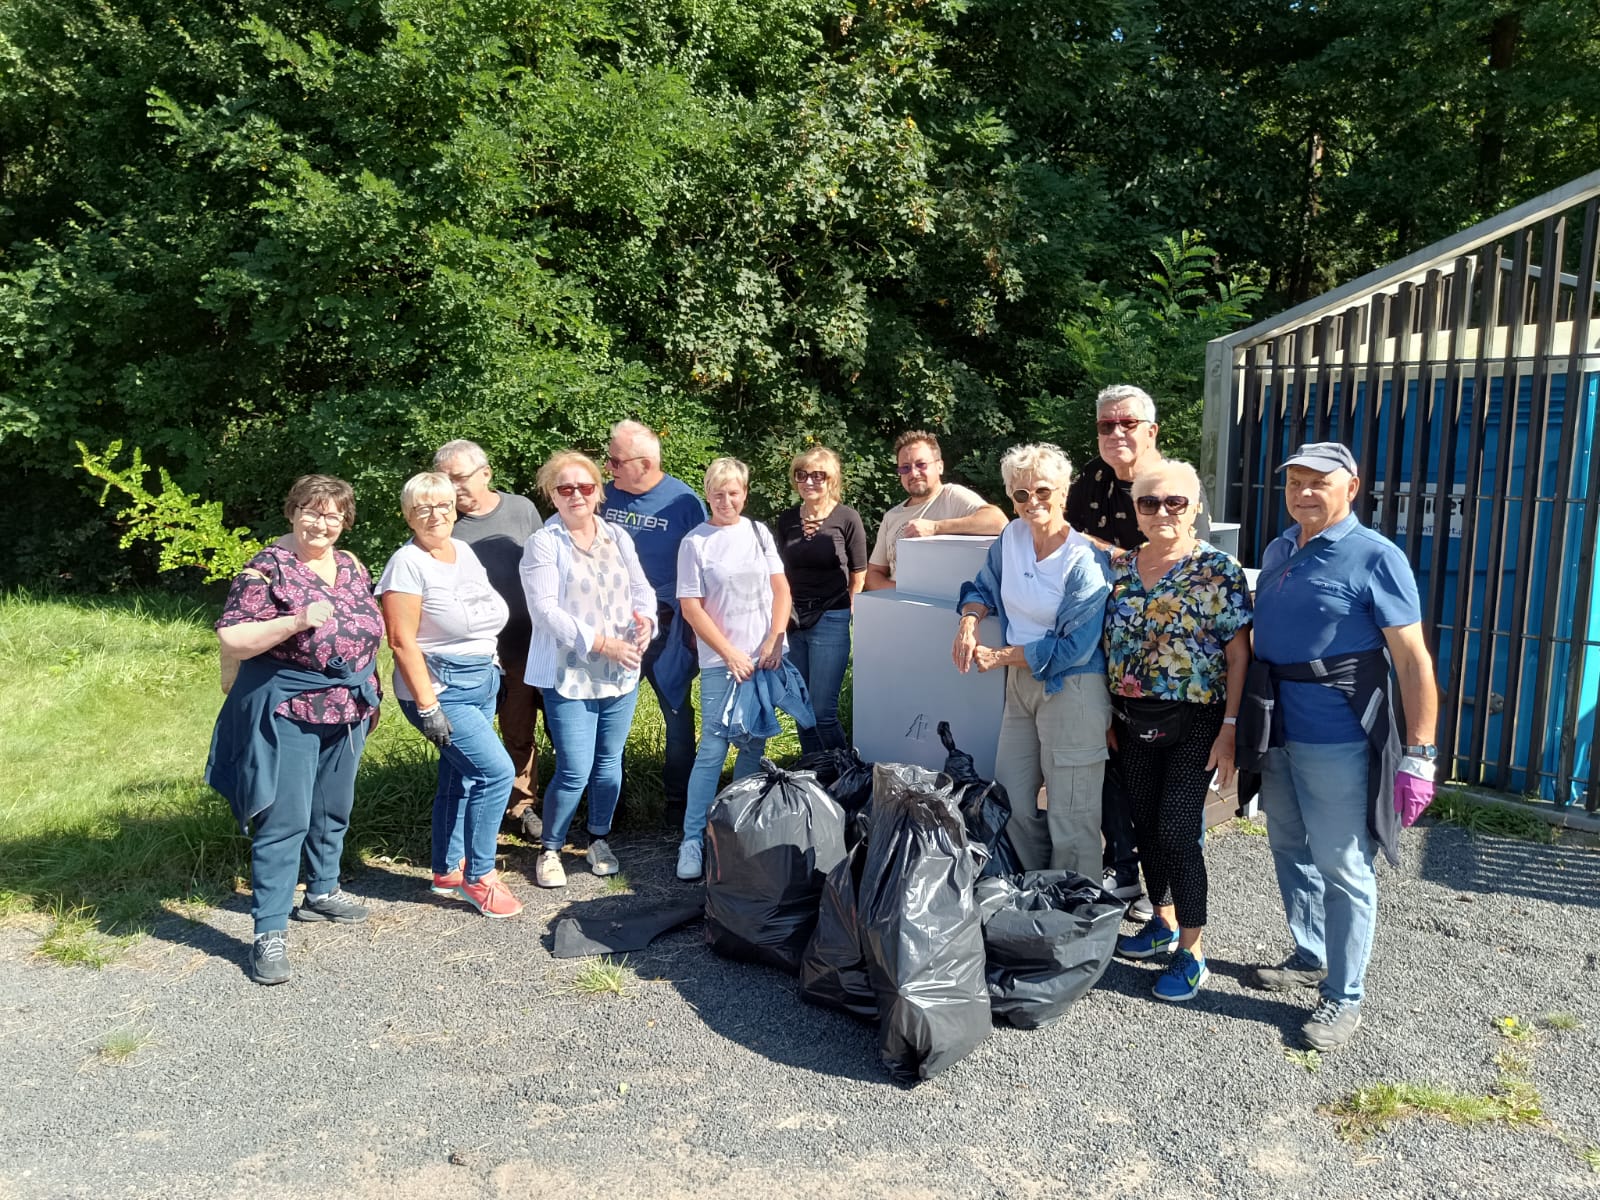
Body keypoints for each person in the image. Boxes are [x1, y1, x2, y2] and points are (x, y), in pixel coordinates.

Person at [1244, 441, 1438, 1052]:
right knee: (1288, 843)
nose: (1304, 492)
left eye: (1318, 482)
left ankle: (1344, 994)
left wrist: (1420, 753)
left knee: (1343, 864)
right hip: (1275, 724)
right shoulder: (1279, 548)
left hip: (1337, 734)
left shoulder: (1376, 557)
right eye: (1294, 481)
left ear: (1351, 488)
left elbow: (1412, 660)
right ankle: (1309, 951)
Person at [206, 476, 384, 985]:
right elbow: (235, 637)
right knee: (285, 820)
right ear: (292, 512)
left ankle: (322, 892)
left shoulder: (351, 565)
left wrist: (371, 690)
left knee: (333, 808)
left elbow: (365, 631)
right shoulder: (266, 568)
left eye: (331, 515)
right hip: (289, 709)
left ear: (344, 521)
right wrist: (297, 620)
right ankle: (268, 931)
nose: (320, 523)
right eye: (311, 511)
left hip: (348, 704)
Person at [1103, 459, 1252, 1002]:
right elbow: (1106, 647)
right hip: (1130, 717)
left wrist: (1230, 727)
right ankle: (1162, 921)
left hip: (1199, 720)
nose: (1161, 512)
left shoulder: (1217, 569)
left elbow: (1239, 657)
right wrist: (1105, 715)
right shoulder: (1119, 567)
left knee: (1177, 829)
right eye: (1149, 502)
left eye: (1174, 503)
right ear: (1135, 510)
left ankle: (1192, 950)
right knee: (1143, 822)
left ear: (1195, 508)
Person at [1065, 383, 1213, 919]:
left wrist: (1104, 551)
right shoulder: (1091, 478)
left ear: (1152, 431)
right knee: (1118, 773)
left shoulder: (1175, 482)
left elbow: (1183, 558)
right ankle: (1125, 872)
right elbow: (1063, 539)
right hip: (1110, 655)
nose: (1116, 432)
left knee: (1172, 808)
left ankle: (1176, 902)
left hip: (1179, 681)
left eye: (1128, 423)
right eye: (1106, 424)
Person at [951, 444, 1112, 880]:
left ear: (1063, 492)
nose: (1032, 502)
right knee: (1014, 799)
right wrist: (969, 620)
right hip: (1020, 688)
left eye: (1042, 491)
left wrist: (1001, 655)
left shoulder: (1084, 559)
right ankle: (1036, 890)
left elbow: (1074, 648)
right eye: (1020, 495)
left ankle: (1078, 912)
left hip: (1073, 689)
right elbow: (983, 587)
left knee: (1071, 813)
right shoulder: (1011, 538)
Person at [378, 473, 522, 919]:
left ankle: (447, 869)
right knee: (496, 773)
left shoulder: (463, 551)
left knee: (460, 777)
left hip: (481, 678)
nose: (435, 514)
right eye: (422, 508)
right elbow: (401, 641)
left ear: (455, 507)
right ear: (408, 516)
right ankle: (480, 878)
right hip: (440, 689)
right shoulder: (406, 564)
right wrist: (428, 707)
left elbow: (478, 614)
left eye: (442, 505)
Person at [520, 451, 657, 888]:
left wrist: (647, 621)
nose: (576, 495)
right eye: (565, 488)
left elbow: (642, 588)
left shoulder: (617, 535)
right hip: (572, 670)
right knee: (575, 767)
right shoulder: (545, 543)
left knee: (609, 764)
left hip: (622, 670)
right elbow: (544, 611)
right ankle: (551, 848)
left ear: (599, 491)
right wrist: (603, 644)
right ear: (552, 496)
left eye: (584, 487)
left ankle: (598, 838)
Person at [675, 457, 793, 880]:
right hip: (722, 664)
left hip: (764, 658)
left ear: (745, 492)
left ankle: (735, 830)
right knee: (712, 750)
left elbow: (780, 589)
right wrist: (729, 654)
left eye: (735, 492)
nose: (727, 500)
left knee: (754, 745)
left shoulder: (759, 533)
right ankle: (692, 839)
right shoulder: (695, 543)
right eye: (719, 493)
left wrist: (774, 638)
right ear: (707, 494)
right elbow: (691, 608)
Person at [433, 439, 545, 832]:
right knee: (514, 731)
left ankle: (573, 801)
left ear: (486, 474)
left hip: (539, 642)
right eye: (445, 480)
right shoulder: (444, 527)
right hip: (485, 653)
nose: (452, 489)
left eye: (460, 479)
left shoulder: (521, 509)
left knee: (562, 728)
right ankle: (521, 807)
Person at [600, 420, 708, 816]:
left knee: (676, 709)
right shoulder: (605, 497)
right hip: (612, 627)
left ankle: (679, 801)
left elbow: (705, 567)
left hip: (669, 626)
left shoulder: (683, 502)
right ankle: (609, 803)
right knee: (608, 713)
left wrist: (697, 629)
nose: (608, 468)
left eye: (616, 461)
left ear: (643, 464)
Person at [774, 446, 867, 754]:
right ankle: (814, 772)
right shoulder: (786, 520)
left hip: (831, 617)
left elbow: (860, 572)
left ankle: (845, 773)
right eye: (802, 475)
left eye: (818, 475)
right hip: (794, 621)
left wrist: (850, 610)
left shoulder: (847, 518)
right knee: (802, 708)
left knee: (822, 710)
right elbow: (777, 573)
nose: (809, 482)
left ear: (832, 480)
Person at [864, 430, 1007, 590]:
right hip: (899, 608)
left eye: (921, 464)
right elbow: (873, 575)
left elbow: (998, 522)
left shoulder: (952, 496)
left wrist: (935, 528)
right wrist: (905, 592)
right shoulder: (892, 516)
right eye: (905, 468)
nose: (914, 473)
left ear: (939, 466)